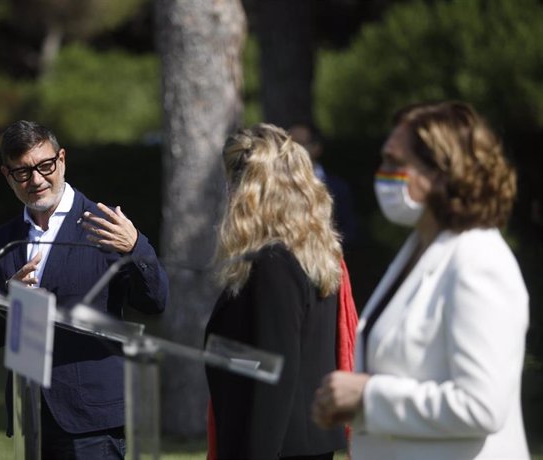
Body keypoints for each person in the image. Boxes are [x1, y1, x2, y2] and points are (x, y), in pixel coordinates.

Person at [312, 101, 530, 459]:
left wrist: (367, 397)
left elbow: (482, 406)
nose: (382, 173)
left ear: (445, 171)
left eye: (396, 163)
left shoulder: (478, 261)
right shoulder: (420, 250)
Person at [0, 120, 168, 459]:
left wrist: (137, 247)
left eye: (45, 166)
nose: (36, 180)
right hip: (31, 413)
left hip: (92, 419)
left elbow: (155, 302)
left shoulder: (105, 226)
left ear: (61, 159)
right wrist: (7, 300)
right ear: (6, 175)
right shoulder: (4, 240)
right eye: (22, 173)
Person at [205, 123, 354, 459]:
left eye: (233, 179)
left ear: (251, 189)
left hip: (275, 445)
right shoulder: (311, 251)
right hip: (304, 441)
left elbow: (276, 375)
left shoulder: (273, 264)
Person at [289, 123, 358, 249]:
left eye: (299, 144)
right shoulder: (275, 186)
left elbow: (349, 231)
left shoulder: (337, 187)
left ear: (316, 148)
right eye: (288, 144)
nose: (291, 151)